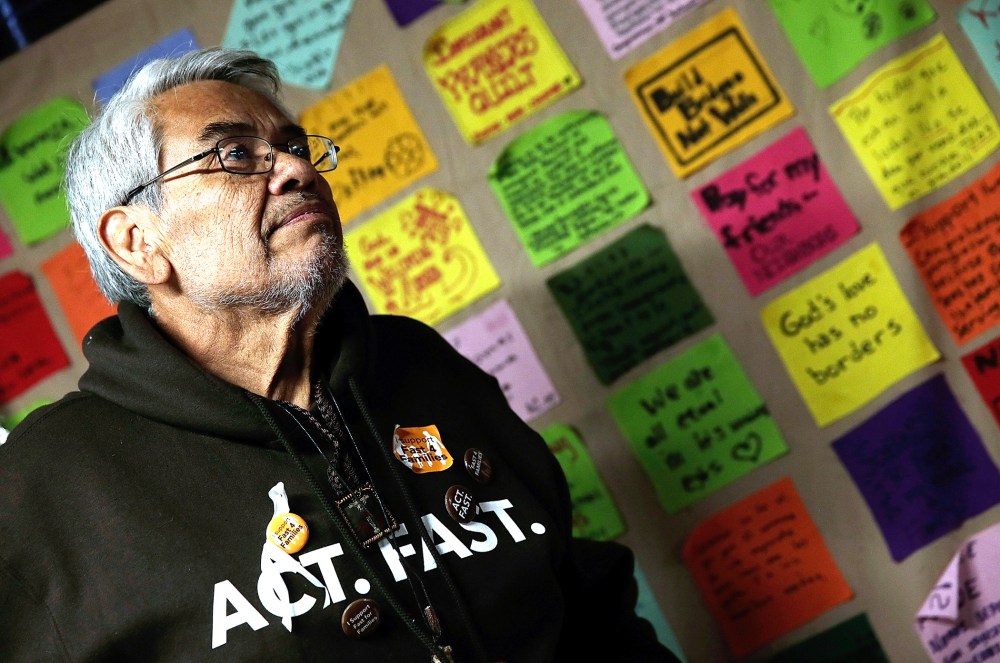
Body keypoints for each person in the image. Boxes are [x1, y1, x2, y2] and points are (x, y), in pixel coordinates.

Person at [0, 48, 681, 662]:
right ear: (137, 242)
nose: (296, 168)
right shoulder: (47, 485)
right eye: (236, 155)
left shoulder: (421, 364)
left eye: (295, 146)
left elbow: (584, 601)